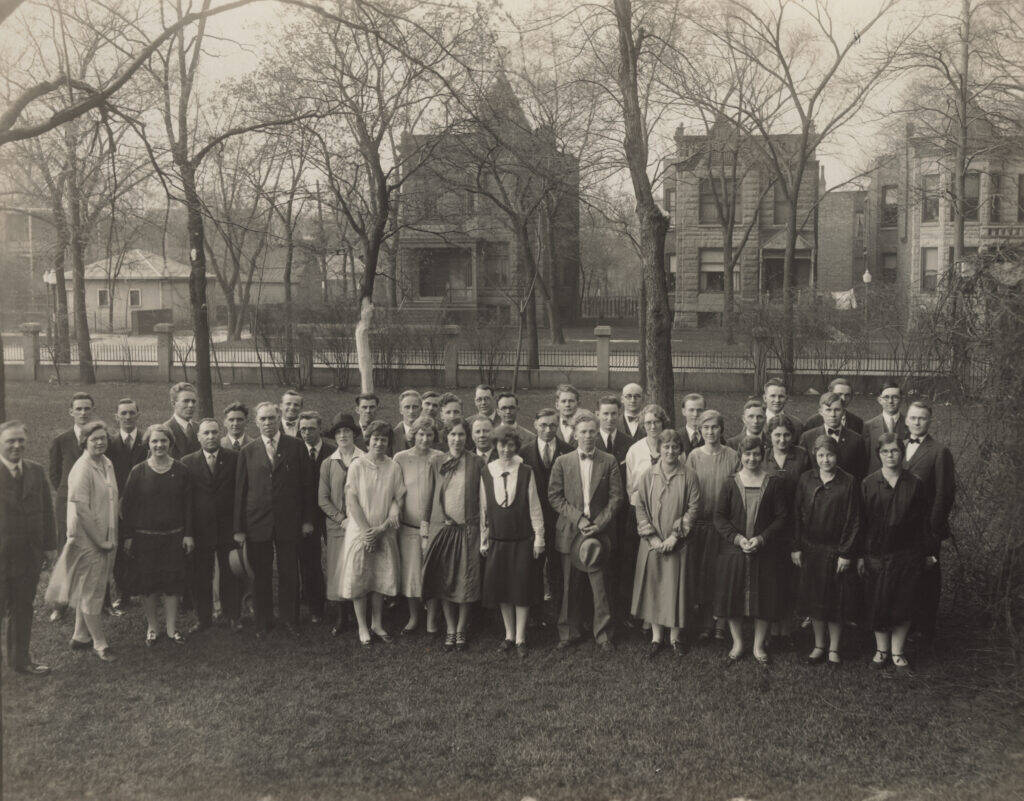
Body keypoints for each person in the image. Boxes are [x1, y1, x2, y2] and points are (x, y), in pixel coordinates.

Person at [233, 402, 315, 639]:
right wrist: (238, 529)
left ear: (279, 418)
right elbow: (240, 491)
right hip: (257, 523)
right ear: (256, 422)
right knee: (261, 574)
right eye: (263, 419)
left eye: (271, 418)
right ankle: (263, 621)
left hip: (289, 522)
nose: (267, 423)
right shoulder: (248, 451)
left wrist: (308, 520)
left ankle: (290, 619)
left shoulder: (296, 447)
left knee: (289, 572)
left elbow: (307, 487)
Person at [548, 410, 623, 653]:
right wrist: (578, 519)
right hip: (571, 531)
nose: (588, 436)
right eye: (583, 432)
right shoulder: (562, 461)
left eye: (592, 431)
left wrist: (598, 525)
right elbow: (554, 496)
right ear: (575, 434)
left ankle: (603, 634)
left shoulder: (609, 460)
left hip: (599, 533)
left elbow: (616, 498)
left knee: (600, 587)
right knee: (570, 586)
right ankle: (568, 631)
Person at [859, 433, 932, 673]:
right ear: (878, 454)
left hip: (907, 554)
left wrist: (926, 553)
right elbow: (861, 522)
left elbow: (924, 522)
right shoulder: (868, 483)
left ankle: (898, 653)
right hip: (876, 554)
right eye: (885, 451)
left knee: (904, 603)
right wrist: (860, 555)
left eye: (895, 451)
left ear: (902, 453)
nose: (890, 456)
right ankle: (880, 651)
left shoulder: (915, 483)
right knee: (878, 602)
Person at [45, 420, 117, 662]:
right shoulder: (82, 468)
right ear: (84, 442)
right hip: (88, 539)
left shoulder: (106, 463)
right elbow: (82, 510)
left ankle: (80, 636)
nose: (100, 442)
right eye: (94, 438)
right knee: (92, 592)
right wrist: (100, 541)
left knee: (93, 586)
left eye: (103, 438)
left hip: (106, 535)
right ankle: (100, 642)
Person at [714, 436, 788, 665]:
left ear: (763, 455)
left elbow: (782, 516)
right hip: (734, 551)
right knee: (733, 597)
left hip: (763, 551)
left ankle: (758, 646)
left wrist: (761, 538)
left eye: (756, 454)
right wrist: (737, 539)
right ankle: (737, 643)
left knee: (764, 598)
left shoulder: (773, 482)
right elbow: (719, 516)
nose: (752, 458)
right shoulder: (730, 483)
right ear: (740, 456)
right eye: (747, 454)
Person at [121, 423, 194, 646]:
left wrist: (188, 534)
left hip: (174, 536)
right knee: (148, 585)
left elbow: (189, 506)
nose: (159, 445)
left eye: (163, 441)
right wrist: (129, 536)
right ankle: (152, 627)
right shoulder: (138, 471)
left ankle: (172, 629)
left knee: (172, 583)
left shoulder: (181, 470)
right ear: (148, 444)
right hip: (145, 538)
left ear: (170, 443)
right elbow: (128, 507)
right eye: (154, 441)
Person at [792, 436, 861, 666]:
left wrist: (846, 552)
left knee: (835, 601)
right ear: (814, 455)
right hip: (811, 549)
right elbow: (797, 515)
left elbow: (854, 519)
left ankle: (834, 648)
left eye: (829, 455)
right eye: (821, 455)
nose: (825, 460)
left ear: (837, 455)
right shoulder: (806, 479)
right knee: (815, 602)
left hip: (835, 550)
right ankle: (819, 645)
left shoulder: (849, 481)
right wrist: (797, 547)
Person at [632, 429, 701, 658]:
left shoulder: (689, 475)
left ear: (680, 450)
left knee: (674, 588)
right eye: (666, 447)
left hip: (677, 543)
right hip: (652, 542)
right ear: (659, 450)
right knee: (654, 586)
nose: (670, 451)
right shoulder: (648, 475)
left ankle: (675, 637)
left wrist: (675, 536)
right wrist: (652, 537)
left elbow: (693, 508)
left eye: (674, 447)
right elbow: (640, 506)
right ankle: (656, 637)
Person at [479, 425, 545, 656]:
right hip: (498, 540)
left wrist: (539, 538)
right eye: (501, 445)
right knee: (502, 590)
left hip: (522, 540)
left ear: (516, 446)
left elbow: (535, 507)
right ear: (495, 446)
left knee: (521, 589)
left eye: (510, 445)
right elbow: (483, 510)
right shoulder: (487, 471)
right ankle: (508, 634)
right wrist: (483, 541)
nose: (505, 449)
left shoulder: (525, 471)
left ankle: (520, 638)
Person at [422, 420, 485, 652]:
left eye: (460, 435)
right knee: (446, 579)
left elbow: (483, 500)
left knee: (466, 580)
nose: (456, 439)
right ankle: (449, 627)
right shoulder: (437, 461)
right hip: (445, 530)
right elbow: (428, 498)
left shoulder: (477, 462)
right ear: (445, 437)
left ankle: (461, 628)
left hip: (469, 530)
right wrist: (425, 531)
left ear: (466, 438)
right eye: (452, 435)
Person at [0, 421, 57, 675]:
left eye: (21, 440)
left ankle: (20, 660)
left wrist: (49, 547)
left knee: (23, 607)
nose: (16, 445)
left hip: (27, 556)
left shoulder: (35, 471)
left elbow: (46, 510)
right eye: (10, 440)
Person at [341, 420, 404, 646]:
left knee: (379, 578)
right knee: (360, 578)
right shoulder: (357, 465)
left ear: (388, 443)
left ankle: (377, 624)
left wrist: (385, 525)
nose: (379, 443)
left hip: (384, 529)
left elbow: (397, 497)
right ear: (368, 440)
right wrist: (368, 532)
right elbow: (352, 500)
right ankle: (362, 626)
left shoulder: (393, 466)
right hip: (361, 530)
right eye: (375, 439)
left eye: (384, 439)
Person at [180, 419, 242, 633]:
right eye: (206, 433)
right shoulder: (187, 462)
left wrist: (239, 528)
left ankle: (233, 615)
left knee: (230, 573)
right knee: (200, 575)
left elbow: (239, 495)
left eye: (214, 432)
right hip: (200, 529)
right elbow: (186, 501)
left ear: (220, 433)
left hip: (228, 529)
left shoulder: (234, 459)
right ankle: (203, 618)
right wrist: (188, 533)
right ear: (198, 436)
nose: (211, 436)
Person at [902, 400, 955, 646]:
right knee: (906, 575)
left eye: (922, 418)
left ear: (929, 421)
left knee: (927, 575)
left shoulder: (939, 451)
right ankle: (905, 621)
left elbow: (944, 495)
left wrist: (933, 533)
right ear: (906, 420)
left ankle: (925, 628)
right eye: (913, 418)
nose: (917, 422)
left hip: (925, 527)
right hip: (901, 524)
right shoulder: (899, 446)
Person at [685, 409, 740, 641]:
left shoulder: (732, 456)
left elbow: (737, 491)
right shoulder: (694, 457)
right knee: (704, 574)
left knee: (722, 575)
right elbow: (688, 490)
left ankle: (721, 622)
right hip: (701, 524)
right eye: (705, 428)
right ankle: (704, 622)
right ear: (699, 431)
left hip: (725, 526)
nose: (710, 432)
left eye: (714, 427)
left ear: (722, 429)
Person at [519, 408, 572, 620]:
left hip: (560, 519)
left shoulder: (567, 451)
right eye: (543, 425)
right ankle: (535, 614)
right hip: (533, 521)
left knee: (557, 568)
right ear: (535, 425)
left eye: (552, 425)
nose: (548, 429)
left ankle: (559, 613)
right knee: (534, 567)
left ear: (558, 425)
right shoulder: (523, 453)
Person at [763, 413, 810, 645]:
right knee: (771, 578)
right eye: (777, 435)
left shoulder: (802, 456)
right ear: (769, 436)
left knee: (791, 578)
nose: (782, 440)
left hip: (795, 524)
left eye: (786, 435)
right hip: (768, 526)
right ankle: (771, 630)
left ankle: (788, 630)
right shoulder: (762, 456)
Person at [394, 416, 444, 634]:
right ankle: (414, 617)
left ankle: (432, 618)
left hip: (434, 527)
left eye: (429, 434)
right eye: (420, 434)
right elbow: (395, 491)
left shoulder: (441, 457)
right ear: (413, 435)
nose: (425, 438)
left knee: (432, 572)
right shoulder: (401, 458)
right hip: (408, 526)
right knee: (412, 575)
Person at [318, 413, 365, 636]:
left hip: (362, 524)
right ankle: (342, 616)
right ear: (334, 437)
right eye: (338, 432)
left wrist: (358, 521)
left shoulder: (364, 459)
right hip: (338, 526)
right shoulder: (328, 463)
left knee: (360, 567)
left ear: (354, 434)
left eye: (347, 431)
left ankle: (364, 616)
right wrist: (341, 518)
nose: (343, 435)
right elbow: (322, 498)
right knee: (339, 568)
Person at [105, 397, 147, 614]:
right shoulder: (109, 444)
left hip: (145, 502)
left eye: (132, 413)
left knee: (143, 544)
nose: (128, 417)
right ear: (117, 417)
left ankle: (144, 588)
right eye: (124, 413)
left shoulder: (148, 440)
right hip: (118, 503)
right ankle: (123, 593)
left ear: (138, 415)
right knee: (120, 546)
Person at [48, 392, 93, 559]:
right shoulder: (61, 440)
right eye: (79, 409)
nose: (83, 413)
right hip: (67, 501)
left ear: (92, 411)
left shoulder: (101, 439)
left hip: (92, 500)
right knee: (67, 544)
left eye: (87, 409)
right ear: (71, 412)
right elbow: (54, 474)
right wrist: (66, 491)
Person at [298, 411, 333, 624]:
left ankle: (341, 603)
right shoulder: (295, 450)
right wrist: (305, 519)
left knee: (337, 558)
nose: (307, 433)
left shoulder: (332, 451)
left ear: (319, 428)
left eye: (311, 428)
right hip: (306, 516)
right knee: (310, 562)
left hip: (331, 515)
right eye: (303, 429)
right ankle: (315, 607)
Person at [800, 392, 868, 480]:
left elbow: (860, 472)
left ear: (843, 412)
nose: (833, 415)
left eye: (837, 410)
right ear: (820, 412)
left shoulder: (856, 439)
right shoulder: (807, 437)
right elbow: (804, 470)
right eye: (828, 410)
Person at [624, 404, 669, 506]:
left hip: (667, 505)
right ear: (643, 424)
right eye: (648, 423)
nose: (653, 427)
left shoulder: (672, 448)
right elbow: (630, 486)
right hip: (641, 506)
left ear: (662, 423)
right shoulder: (634, 451)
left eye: (657, 422)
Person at [864, 382, 908, 475]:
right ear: (879, 400)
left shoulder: (910, 425)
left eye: (895, 397)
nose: (890, 401)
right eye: (886, 397)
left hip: (904, 479)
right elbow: (865, 458)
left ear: (901, 400)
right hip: (876, 480)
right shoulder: (868, 426)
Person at [163, 382, 201, 458]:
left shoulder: (200, 428)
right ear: (173, 404)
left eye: (193, 401)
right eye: (186, 401)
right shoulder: (165, 430)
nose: (191, 405)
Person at [391, 390, 422, 454]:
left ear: (421, 410)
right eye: (407, 407)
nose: (411, 411)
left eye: (415, 407)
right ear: (401, 410)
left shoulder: (429, 433)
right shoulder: (392, 436)